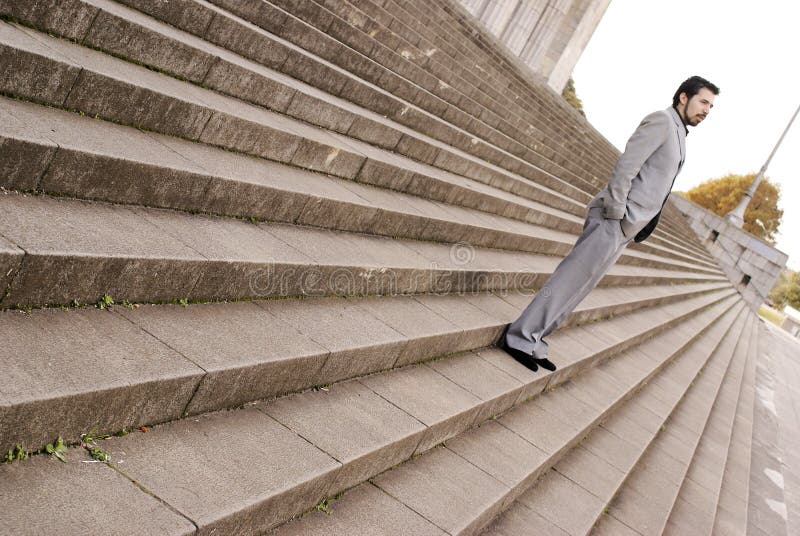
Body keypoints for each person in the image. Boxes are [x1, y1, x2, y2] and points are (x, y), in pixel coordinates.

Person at [501, 75, 719, 372]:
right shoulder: (662, 121)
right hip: (614, 219)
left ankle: (536, 340)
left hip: (627, 226)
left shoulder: (680, 132)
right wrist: (618, 211)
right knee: (568, 280)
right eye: (703, 101)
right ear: (684, 97)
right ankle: (518, 337)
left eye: (711, 105)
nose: (707, 109)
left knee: (580, 287)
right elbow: (627, 166)